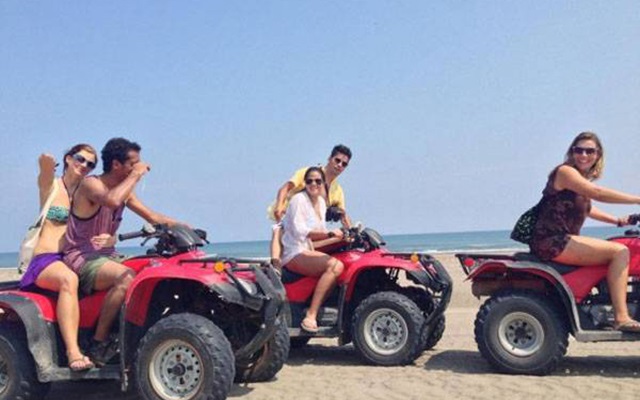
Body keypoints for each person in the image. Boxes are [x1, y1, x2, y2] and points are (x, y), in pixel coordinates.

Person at [63, 137, 179, 365]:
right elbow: (112, 201)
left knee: (154, 269)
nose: (140, 167)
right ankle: (98, 343)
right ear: (116, 164)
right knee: (125, 278)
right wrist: (136, 174)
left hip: (108, 256)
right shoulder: (90, 185)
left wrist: (185, 228)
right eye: (133, 163)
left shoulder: (123, 192)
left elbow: (152, 217)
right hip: (81, 258)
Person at [529, 131, 640, 332]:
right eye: (578, 150)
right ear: (571, 152)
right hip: (553, 241)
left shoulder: (579, 180)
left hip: (562, 240)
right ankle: (621, 317)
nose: (583, 155)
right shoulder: (565, 172)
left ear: (598, 155)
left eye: (589, 151)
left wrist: (617, 221)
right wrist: (637, 199)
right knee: (620, 252)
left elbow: (587, 208)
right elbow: (596, 193)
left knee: (618, 246)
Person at [20, 144, 104, 371]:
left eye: (90, 164)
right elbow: (44, 175)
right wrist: (45, 164)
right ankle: (72, 352)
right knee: (69, 280)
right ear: (68, 159)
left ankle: (101, 344)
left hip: (73, 258)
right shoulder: (53, 187)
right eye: (80, 159)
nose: (84, 165)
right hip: (45, 260)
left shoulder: (86, 195)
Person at [280, 167, 346, 333]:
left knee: (342, 259)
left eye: (318, 181)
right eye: (309, 181)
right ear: (305, 183)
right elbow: (300, 232)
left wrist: (341, 237)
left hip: (307, 249)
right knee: (335, 266)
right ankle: (311, 314)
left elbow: (317, 237)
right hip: (294, 252)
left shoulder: (322, 203)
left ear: (323, 183)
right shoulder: (298, 200)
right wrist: (330, 233)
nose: (313, 184)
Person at [269, 144, 353, 267]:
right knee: (279, 230)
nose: (340, 165)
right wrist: (279, 207)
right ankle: (276, 266)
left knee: (342, 240)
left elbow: (343, 214)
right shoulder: (310, 173)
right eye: (337, 160)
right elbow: (285, 188)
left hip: (309, 227)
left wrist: (351, 231)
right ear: (329, 158)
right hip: (287, 217)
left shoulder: (337, 190)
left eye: (344, 164)